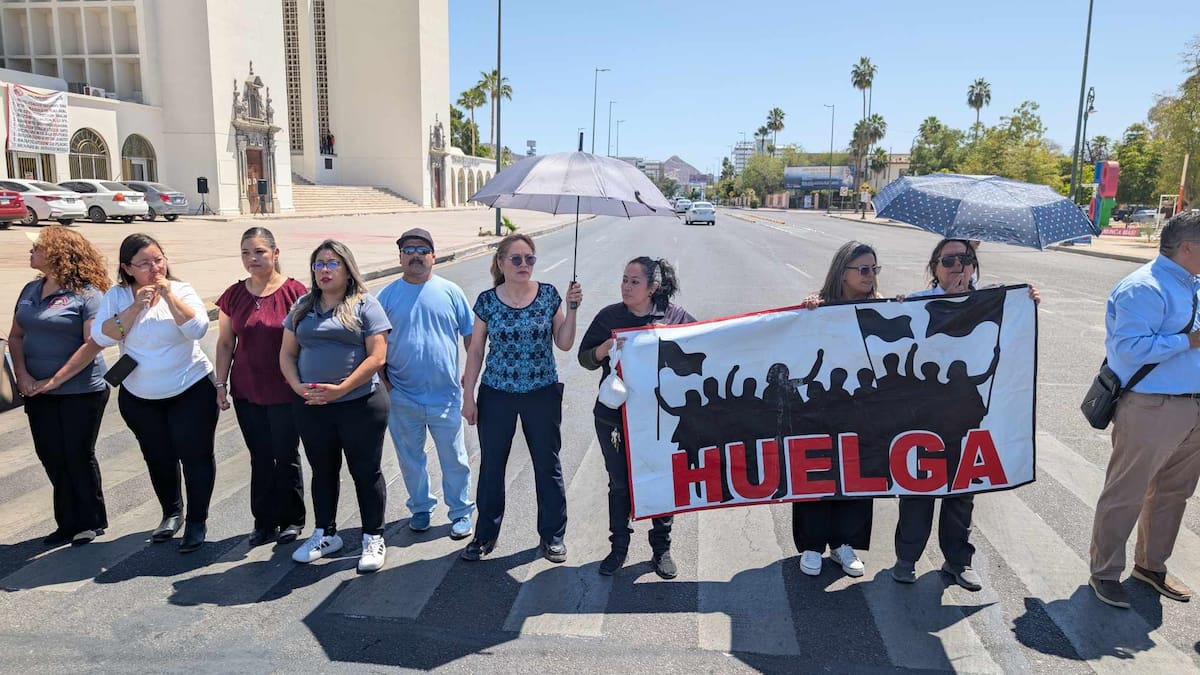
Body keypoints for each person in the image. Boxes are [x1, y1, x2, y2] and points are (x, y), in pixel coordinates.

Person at [891, 238, 1039, 591]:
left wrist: (1026, 303)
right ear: (934, 267)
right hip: (922, 422)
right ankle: (906, 558)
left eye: (966, 258)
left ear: (974, 265)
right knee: (918, 492)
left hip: (965, 422)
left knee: (961, 493)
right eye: (949, 260)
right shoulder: (915, 305)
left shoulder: (993, 302)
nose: (958, 266)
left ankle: (958, 561)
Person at [1089, 211, 1200, 608]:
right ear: (1187, 247)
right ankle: (1104, 572)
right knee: (1127, 492)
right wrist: (1189, 341)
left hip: (1193, 406)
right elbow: (1129, 349)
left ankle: (1151, 566)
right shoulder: (1144, 287)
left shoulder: (1194, 285)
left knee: (1174, 493)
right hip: (1152, 405)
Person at [460, 233, 583, 563]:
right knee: (491, 467)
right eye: (516, 259)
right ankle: (484, 536)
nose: (524, 265)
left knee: (548, 465)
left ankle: (553, 536)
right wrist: (468, 396)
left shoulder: (548, 295)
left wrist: (571, 310)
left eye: (529, 258)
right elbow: (475, 351)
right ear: (501, 263)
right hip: (496, 393)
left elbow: (565, 343)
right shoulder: (487, 300)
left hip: (541, 393)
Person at [92, 233, 217, 553]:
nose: (154, 268)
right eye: (144, 263)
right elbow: (103, 337)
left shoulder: (182, 289)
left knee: (195, 456)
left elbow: (198, 329)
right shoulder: (118, 296)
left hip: (190, 387)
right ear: (127, 268)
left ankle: (197, 521)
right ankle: (172, 512)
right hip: (140, 395)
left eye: (158, 260)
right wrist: (136, 307)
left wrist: (170, 298)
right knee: (158, 456)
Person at [578, 257, 695, 578]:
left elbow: (703, 351)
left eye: (634, 282)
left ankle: (661, 549)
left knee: (660, 480)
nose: (626, 287)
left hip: (660, 421)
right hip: (614, 419)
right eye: (624, 280)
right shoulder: (609, 317)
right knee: (619, 484)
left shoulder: (675, 317)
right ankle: (619, 547)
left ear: (653, 288)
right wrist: (603, 349)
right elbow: (584, 359)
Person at [281, 239, 391, 573]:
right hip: (313, 405)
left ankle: (373, 535)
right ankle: (326, 533)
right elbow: (287, 353)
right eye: (319, 264)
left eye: (332, 263)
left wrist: (342, 388)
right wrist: (297, 386)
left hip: (360, 403)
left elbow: (378, 356)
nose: (324, 270)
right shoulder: (302, 306)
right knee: (323, 470)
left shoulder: (365, 305)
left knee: (365, 471)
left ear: (347, 268)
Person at [9, 227, 110, 546]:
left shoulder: (88, 295)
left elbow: (92, 344)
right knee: (51, 454)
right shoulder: (29, 289)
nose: (31, 252)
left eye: (37, 247)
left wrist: (54, 380)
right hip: (36, 390)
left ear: (58, 254)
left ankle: (89, 520)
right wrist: (23, 376)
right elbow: (16, 335)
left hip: (81, 390)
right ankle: (67, 521)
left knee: (76, 453)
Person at [377, 228, 475, 540]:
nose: (416, 255)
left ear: (433, 256)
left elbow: (472, 338)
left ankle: (460, 512)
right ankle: (420, 508)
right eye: (409, 250)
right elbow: (375, 345)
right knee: (410, 460)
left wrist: (470, 378)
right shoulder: (387, 296)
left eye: (422, 249)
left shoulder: (451, 291)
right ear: (401, 257)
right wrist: (386, 385)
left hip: (445, 396)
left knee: (455, 459)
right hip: (402, 396)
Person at [214, 227, 308, 547]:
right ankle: (264, 521)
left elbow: (308, 341)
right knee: (260, 456)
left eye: (259, 252)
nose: (252, 259)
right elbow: (226, 343)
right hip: (246, 390)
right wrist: (220, 384)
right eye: (246, 253)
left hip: (285, 389)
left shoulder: (295, 292)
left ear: (275, 253)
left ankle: (292, 519)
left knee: (286, 454)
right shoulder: (233, 295)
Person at [793, 241, 881, 578]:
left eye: (874, 269)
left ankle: (844, 545)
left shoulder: (884, 310)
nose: (870, 275)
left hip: (862, 411)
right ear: (842, 272)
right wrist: (804, 313)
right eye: (863, 269)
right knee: (816, 473)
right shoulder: (820, 309)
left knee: (857, 475)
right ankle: (812, 546)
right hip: (820, 411)